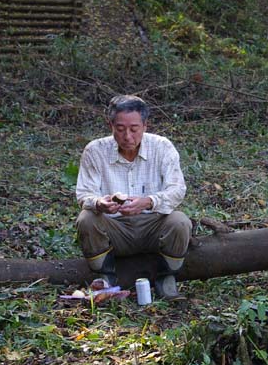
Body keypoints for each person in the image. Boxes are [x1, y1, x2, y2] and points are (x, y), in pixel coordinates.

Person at [75, 95, 192, 299]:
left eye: (134, 129)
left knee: (180, 221)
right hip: (114, 229)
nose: (127, 136)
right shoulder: (95, 151)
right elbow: (84, 194)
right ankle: (105, 276)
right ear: (110, 124)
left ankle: (167, 277)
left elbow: (177, 189)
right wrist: (100, 203)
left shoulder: (162, 147)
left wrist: (148, 201)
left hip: (153, 226)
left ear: (145, 125)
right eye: (120, 129)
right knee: (86, 219)